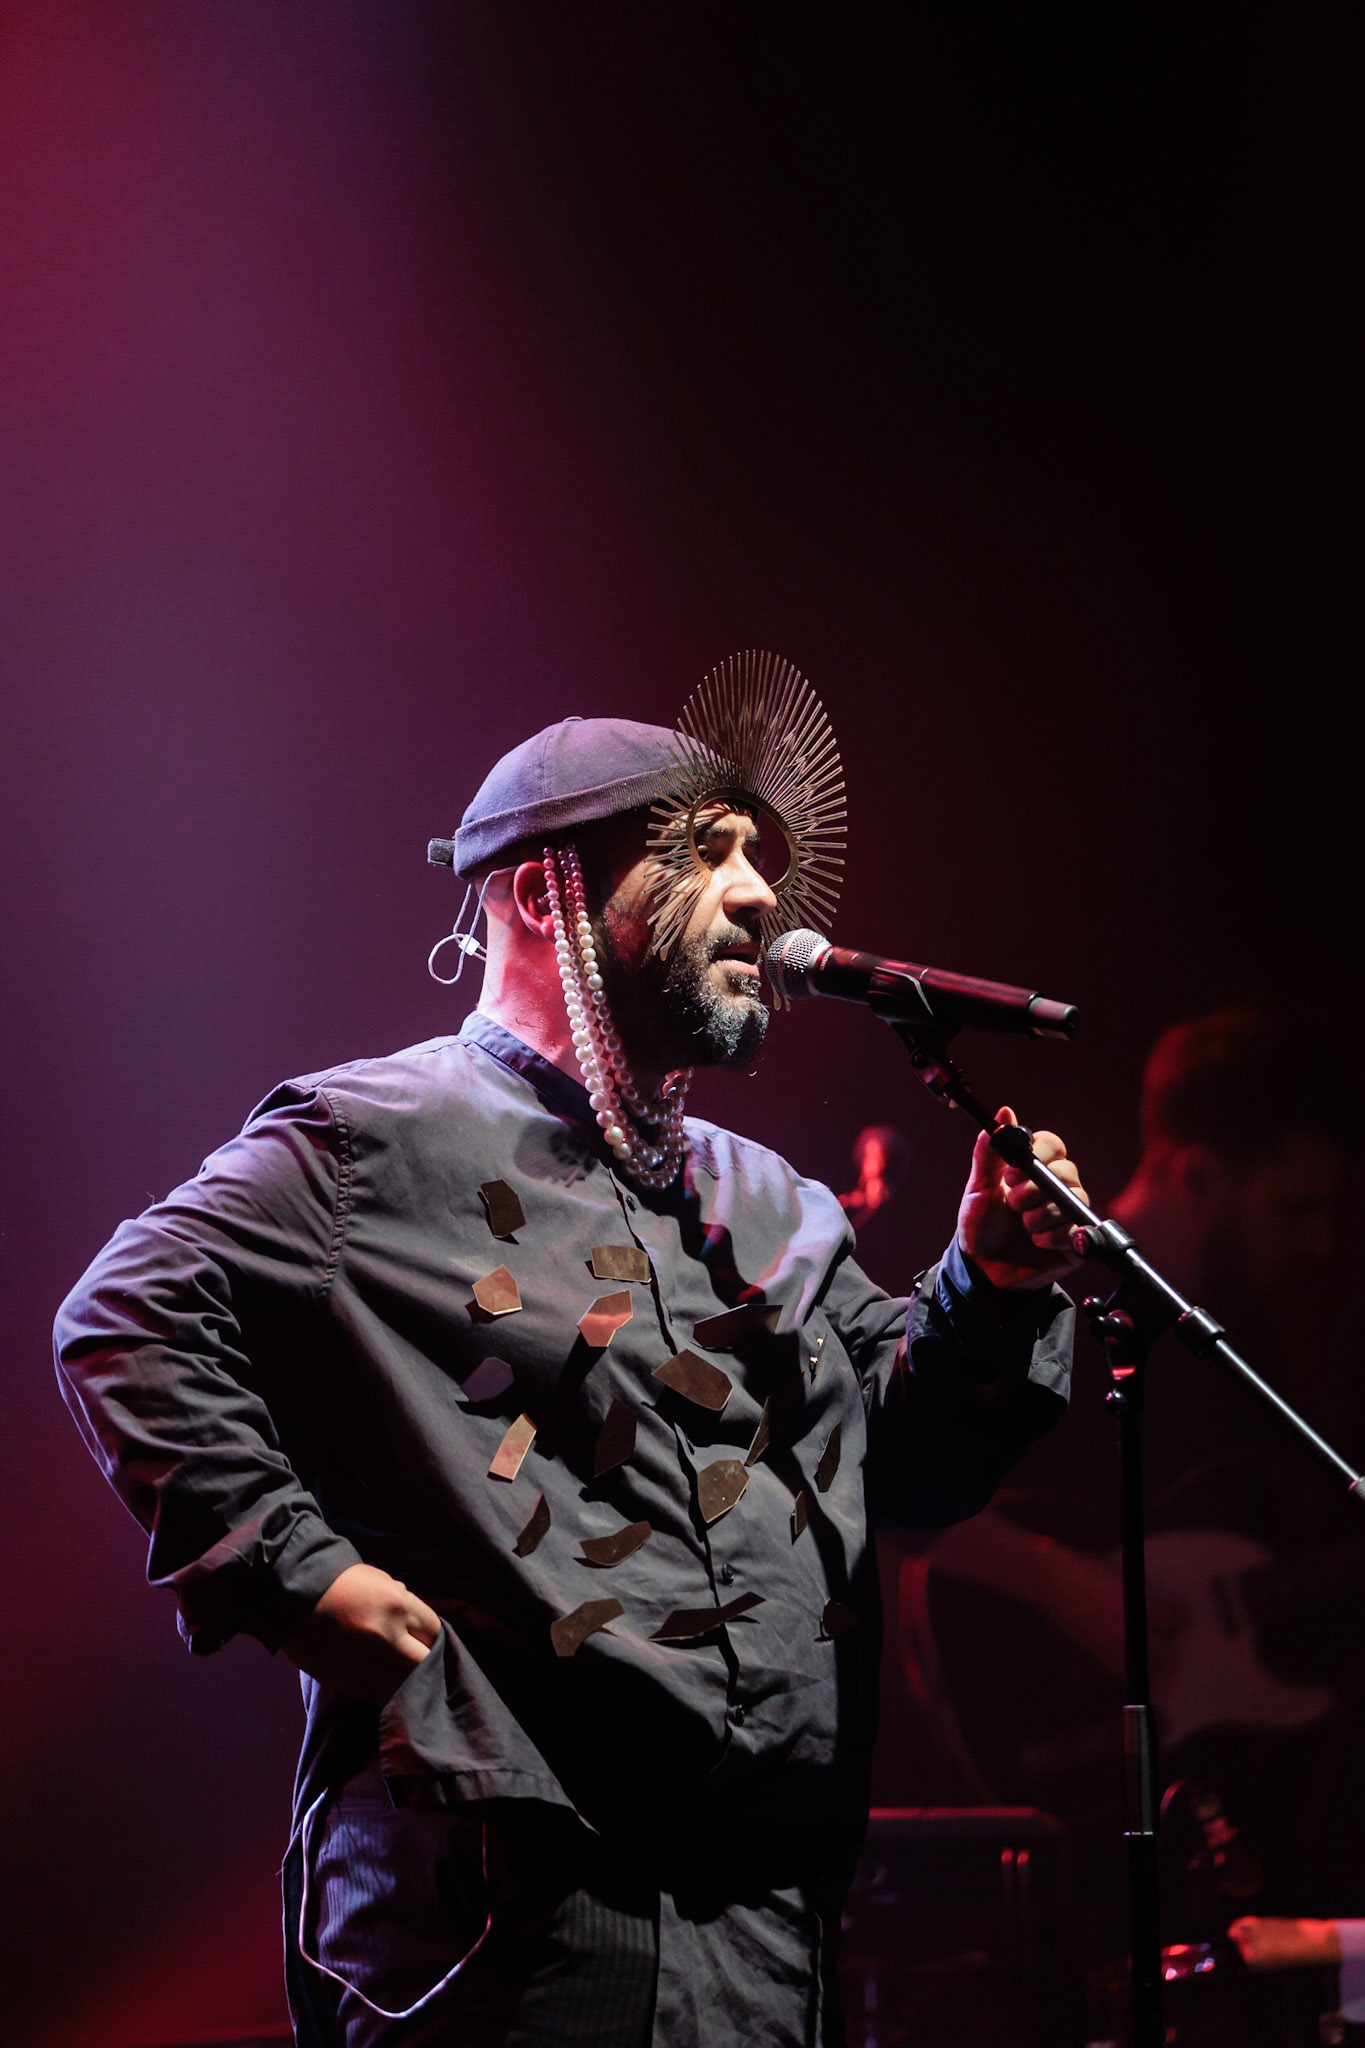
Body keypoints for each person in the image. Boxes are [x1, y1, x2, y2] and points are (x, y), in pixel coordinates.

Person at [55, 658, 1088, 2047]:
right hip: (512, 1909)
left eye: (759, 860)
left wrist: (994, 1285)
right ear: (544, 892)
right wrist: (298, 1572)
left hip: (762, 1918)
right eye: (703, 855)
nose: (760, 895)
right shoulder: (375, 1141)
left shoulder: (770, 1202)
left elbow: (896, 1468)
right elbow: (124, 1312)